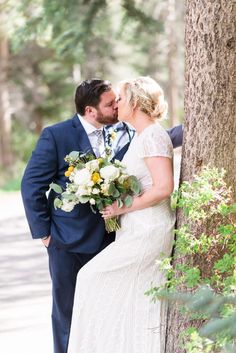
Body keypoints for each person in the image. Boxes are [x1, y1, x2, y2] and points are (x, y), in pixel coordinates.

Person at [21, 78, 182, 353]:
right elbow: (31, 185)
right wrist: (45, 235)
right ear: (90, 111)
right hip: (67, 242)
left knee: (109, 307)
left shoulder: (125, 133)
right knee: (68, 311)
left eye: (118, 100)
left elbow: (154, 143)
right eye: (110, 104)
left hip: (112, 237)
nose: (116, 107)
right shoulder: (57, 135)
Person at [67, 77, 175, 353]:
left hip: (149, 230)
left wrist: (120, 208)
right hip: (133, 229)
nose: (117, 104)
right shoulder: (141, 135)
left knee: (90, 277)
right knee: (132, 299)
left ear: (136, 102)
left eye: (121, 99)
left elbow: (164, 187)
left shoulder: (152, 135)